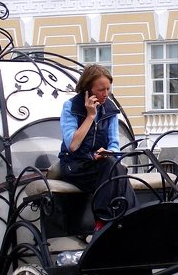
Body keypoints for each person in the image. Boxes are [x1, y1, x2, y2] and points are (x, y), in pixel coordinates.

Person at [58, 65, 135, 231]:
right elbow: (73, 145)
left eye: (108, 89)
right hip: (75, 166)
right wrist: (90, 116)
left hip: (100, 165)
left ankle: (114, 219)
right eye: (101, 90)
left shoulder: (110, 110)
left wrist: (107, 153)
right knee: (114, 168)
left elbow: (114, 144)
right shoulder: (70, 107)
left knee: (114, 165)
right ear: (88, 89)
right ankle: (119, 218)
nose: (106, 94)